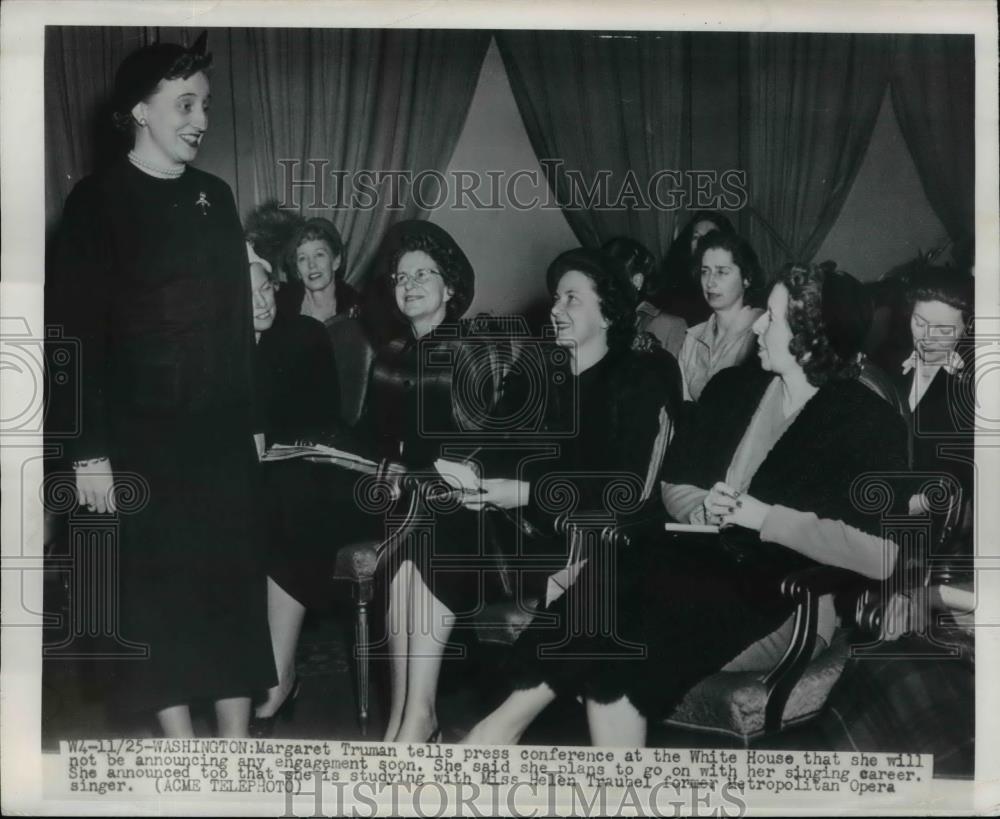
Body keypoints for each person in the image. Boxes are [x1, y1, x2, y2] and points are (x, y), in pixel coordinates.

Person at [464, 263, 907, 746]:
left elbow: (881, 555)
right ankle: (499, 731)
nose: (757, 324)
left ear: (813, 335)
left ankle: (501, 740)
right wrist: (701, 508)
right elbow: (676, 483)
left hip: (780, 598)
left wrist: (765, 518)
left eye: (773, 318)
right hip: (692, 564)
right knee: (604, 591)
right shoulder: (733, 390)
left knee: (619, 643)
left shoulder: (863, 421)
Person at [46, 35, 275, 737]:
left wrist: (254, 424)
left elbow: (238, 325)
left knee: (231, 593)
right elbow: (74, 335)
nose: (201, 117)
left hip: (219, 436)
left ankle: (236, 751)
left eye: (205, 103)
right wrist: (88, 451)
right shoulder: (97, 200)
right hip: (141, 442)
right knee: (158, 601)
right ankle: (184, 755)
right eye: (185, 103)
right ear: (139, 110)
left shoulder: (215, 195)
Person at [895, 265, 974, 528]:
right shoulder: (887, 363)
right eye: (919, 322)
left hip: (918, 528)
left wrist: (921, 503)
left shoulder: (972, 393)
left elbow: (966, 478)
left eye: (943, 330)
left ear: (965, 329)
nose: (927, 338)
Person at [677, 229, 766, 401]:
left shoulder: (761, 333)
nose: (710, 282)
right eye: (705, 271)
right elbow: (684, 406)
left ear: (746, 278)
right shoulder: (693, 339)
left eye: (722, 272)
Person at [602, 236, 687, 358]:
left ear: (637, 280)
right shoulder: (597, 321)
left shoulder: (670, 326)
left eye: (611, 281)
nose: (603, 288)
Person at [656, 210, 737, 326]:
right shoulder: (672, 283)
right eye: (696, 237)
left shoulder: (732, 286)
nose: (701, 242)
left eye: (710, 236)